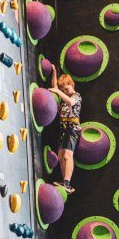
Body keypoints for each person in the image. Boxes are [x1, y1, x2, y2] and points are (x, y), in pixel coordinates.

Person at [49, 65, 81, 194]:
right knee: (61, 155)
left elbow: (70, 102)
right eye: (63, 90)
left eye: (66, 89)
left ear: (72, 84)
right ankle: (64, 182)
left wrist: (59, 92)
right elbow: (55, 88)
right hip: (64, 127)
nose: (65, 92)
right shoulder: (64, 94)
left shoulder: (76, 96)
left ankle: (67, 183)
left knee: (68, 155)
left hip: (72, 128)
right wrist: (54, 73)